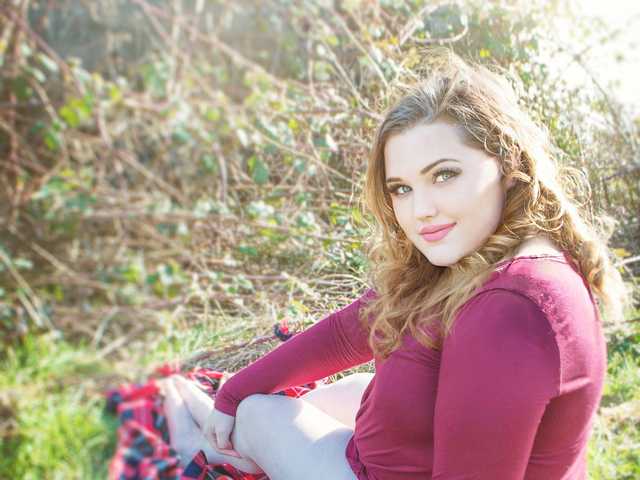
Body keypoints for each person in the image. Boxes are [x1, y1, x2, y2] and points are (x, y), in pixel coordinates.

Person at [159, 47, 629, 480]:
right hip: (401, 448)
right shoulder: (473, 254)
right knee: (350, 388)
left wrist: (241, 402)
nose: (420, 210)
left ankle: (197, 442)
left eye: (444, 175)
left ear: (507, 166)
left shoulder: (509, 306)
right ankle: (213, 426)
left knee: (261, 414)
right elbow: (347, 332)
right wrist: (233, 391)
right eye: (402, 188)